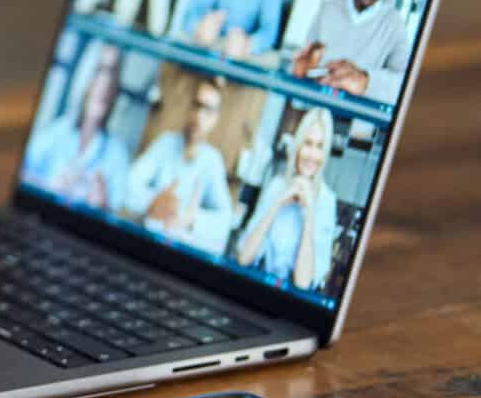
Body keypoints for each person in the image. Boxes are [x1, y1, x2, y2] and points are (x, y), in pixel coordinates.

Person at [117, 77, 234, 255]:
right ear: (189, 108)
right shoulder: (166, 143)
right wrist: (155, 201)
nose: (199, 115)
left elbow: (224, 224)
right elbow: (128, 185)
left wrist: (189, 217)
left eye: (208, 110)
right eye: (197, 105)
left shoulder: (212, 161)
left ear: (215, 118)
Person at [237, 107, 341, 292]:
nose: (311, 155)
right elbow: (244, 257)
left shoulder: (326, 202)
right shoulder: (277, 186)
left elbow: (303, 282)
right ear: (298, 145)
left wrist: (309, 213)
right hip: (256, 291)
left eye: (319, 146)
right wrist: (276, 204)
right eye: (307, 143)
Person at [22, 41, 130, 211]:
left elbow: (120, 215)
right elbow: (19, 175)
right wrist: (49, 187)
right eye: (99, 71)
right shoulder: (57, 132)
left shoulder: (118, 155)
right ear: (85, 76)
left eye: (112, 74)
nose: (105, 84)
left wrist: (103, 207)